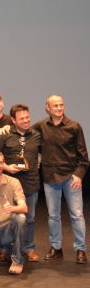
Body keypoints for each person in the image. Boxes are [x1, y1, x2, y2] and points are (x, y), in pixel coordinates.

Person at [34, 94, 89, 264]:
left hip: (71, 177)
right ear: (48, 108)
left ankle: (80, 249)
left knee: (77, 215)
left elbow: (83, 157)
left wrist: (78, 175)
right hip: (50, 177)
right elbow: (26, 137)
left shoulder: (74, 126)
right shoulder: (40, 126)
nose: (59, 108)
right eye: (55, 105)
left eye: (61, 105)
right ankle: (56, 248)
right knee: (53, 216)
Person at [0, 104, 41, 262]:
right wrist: (7, 167)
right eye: (22, 118)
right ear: (13, 120)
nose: (26, 120)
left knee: (30, 219)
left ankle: (29, 248)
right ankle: (5, 248)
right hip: (8, 186)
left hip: (30, 184)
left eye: (27, 117)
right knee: (7, 218)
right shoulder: (4, 136)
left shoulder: (37, 135)